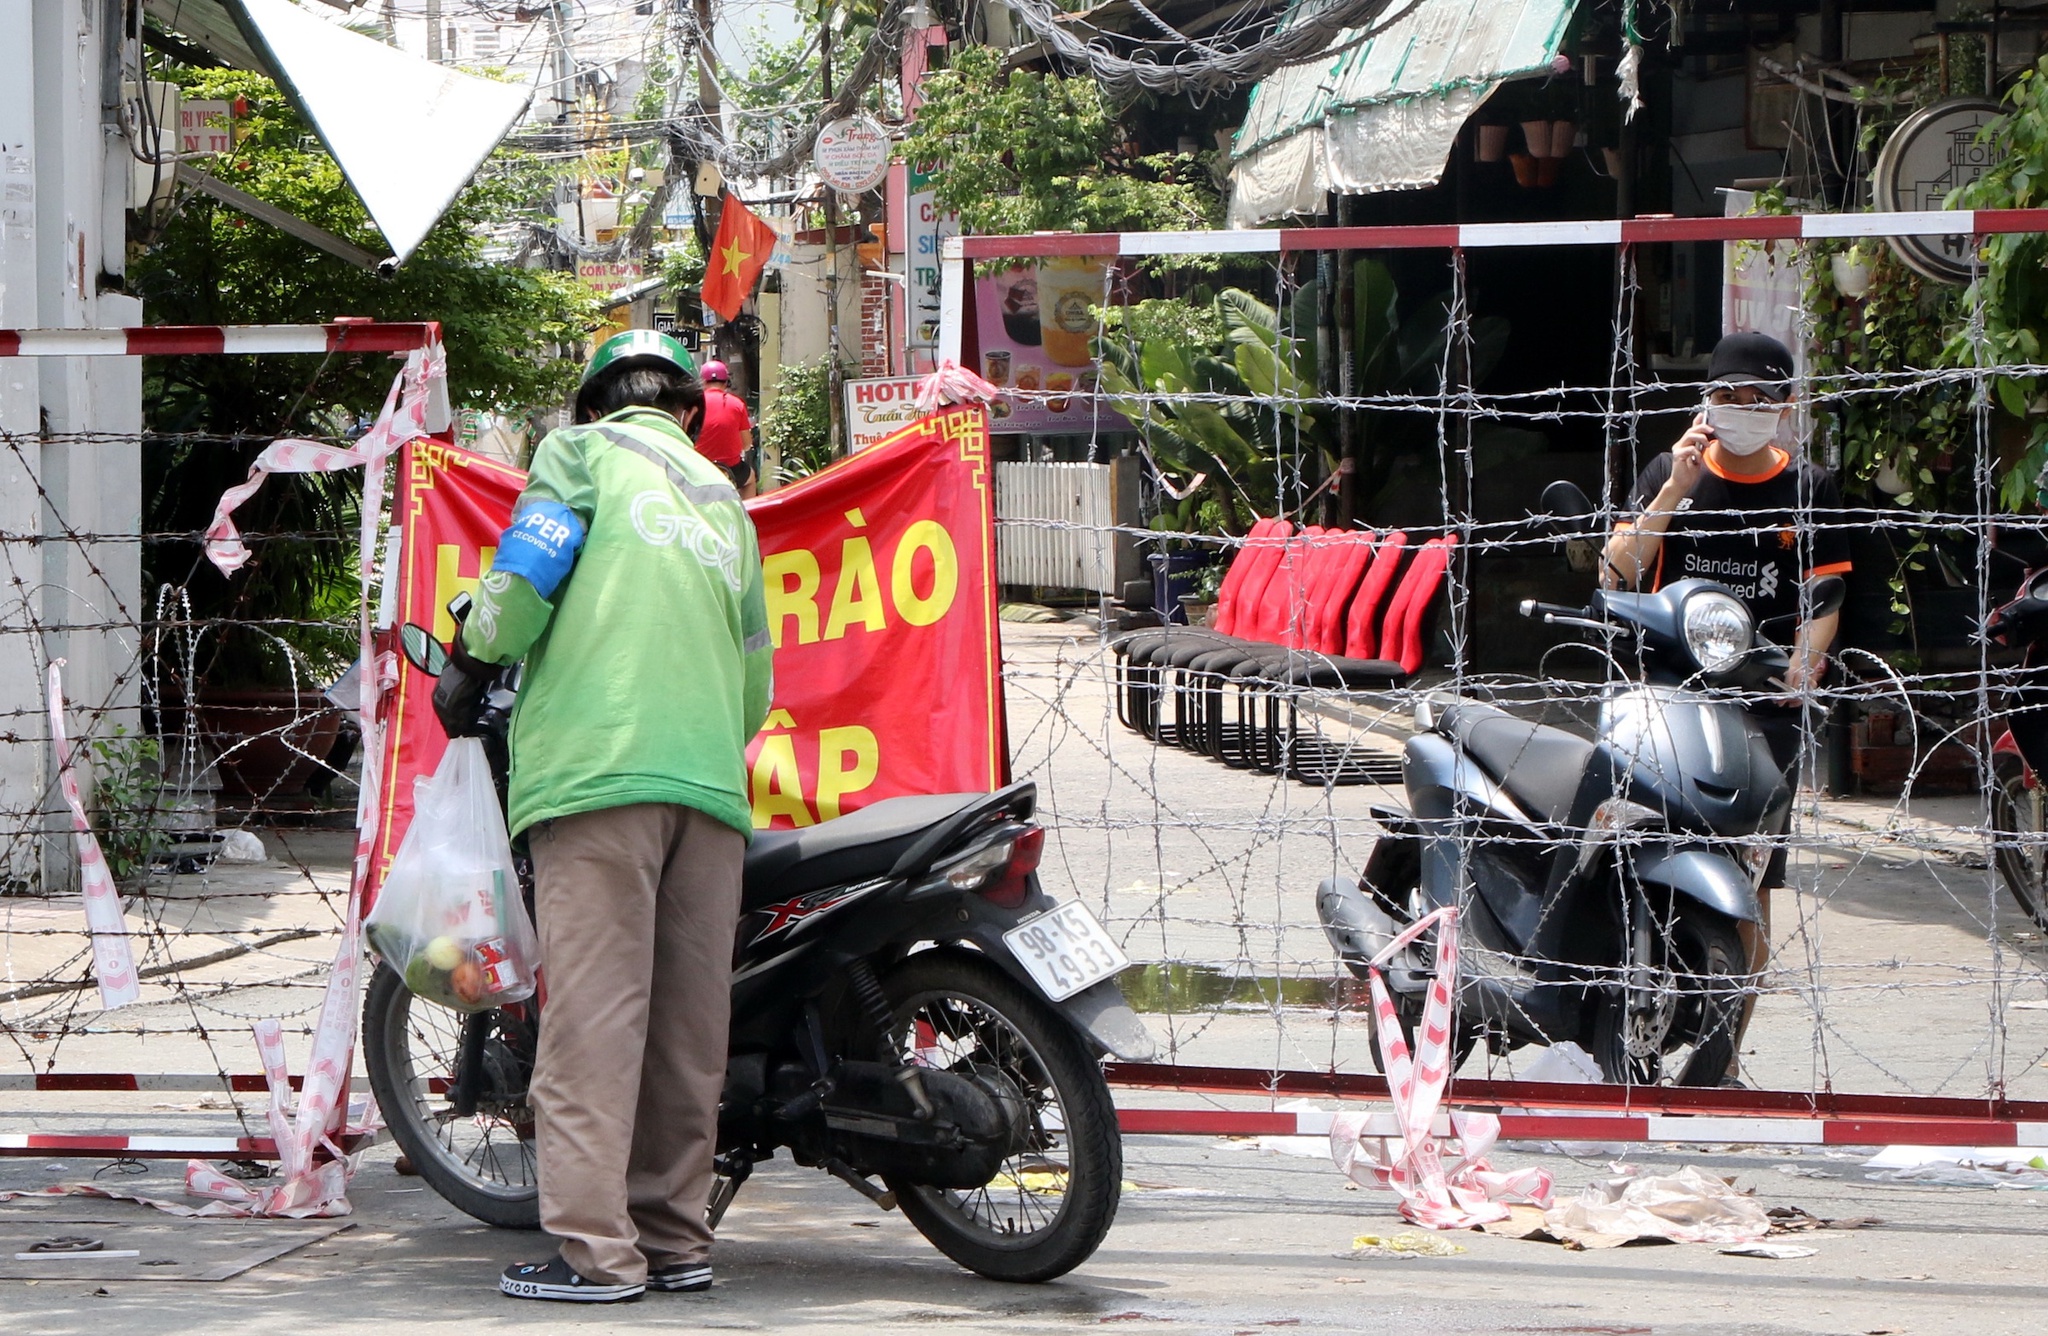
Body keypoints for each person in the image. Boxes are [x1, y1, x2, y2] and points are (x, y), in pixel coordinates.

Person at [436, 328, 773, 1303]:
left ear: (592, 405)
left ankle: (596, 1254)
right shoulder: (723, 501)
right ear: (688, 411)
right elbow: (755, 678)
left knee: (593, 1021)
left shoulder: (577, 456)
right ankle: (674, 1241)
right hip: (709, 790)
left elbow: (521, 585)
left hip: (597, 777)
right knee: (684, 1032)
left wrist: (471, 662)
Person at [1601, 330, 1851, 1082]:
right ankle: (1615, 1013)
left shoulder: (1809, 487)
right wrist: (1672, 491)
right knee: (1633, 851)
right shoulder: (1668, 471)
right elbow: (1617, 571)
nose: (1743, 407)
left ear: (1786, 405)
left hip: (1763, 710)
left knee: (1750, 881)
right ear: (1705, 401)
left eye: (1759, 397)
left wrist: (1802, 667)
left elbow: (1824, 596)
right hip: (1666, 696)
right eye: (1728, 395)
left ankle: (1725, 1053)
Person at [694, 359, 759, 498]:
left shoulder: (692, 404)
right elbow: (747, 444)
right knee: (750, 479)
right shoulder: (737, 404)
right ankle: (748, 511)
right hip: (732, 470)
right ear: (726, 382)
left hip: (699, 467)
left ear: (702, 382)